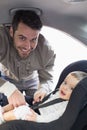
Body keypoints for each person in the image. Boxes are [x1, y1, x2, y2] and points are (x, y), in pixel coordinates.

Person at [0, 10, 56, 107]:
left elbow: (47, 79)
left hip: (32, 80)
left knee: (38, 107)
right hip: (8, 79)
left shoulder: (47, 51)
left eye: (33, 39)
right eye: (22, 38)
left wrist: (43, 89)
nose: (28, 46)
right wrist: (8, 88)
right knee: (8, 107)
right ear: (12, 31)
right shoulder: (1, 39)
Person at [0, 71, 87, 124]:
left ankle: (2, 119)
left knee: (22, 111)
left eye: (71, 88)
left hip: (41, 119)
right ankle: (2, 110)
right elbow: (49, 100)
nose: (65, 87)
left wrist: (38, 118)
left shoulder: (66, 106)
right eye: (65, 83)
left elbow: (54, 116)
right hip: (36, 109)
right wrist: (40, 101)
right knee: (19, 103)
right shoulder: (58, 92)